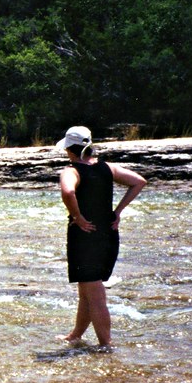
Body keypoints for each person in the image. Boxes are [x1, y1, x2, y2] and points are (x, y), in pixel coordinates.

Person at [56, 126, 146, 348]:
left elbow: (68, 192)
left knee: (95, 295)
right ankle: (75, 335)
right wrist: (118, 211)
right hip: (107, 235)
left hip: (85, 237)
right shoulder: (108, 168)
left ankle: (106, 345)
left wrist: (76, 216)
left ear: (69, 149)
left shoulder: (71, 171)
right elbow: (139, 181)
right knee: (87, 290)